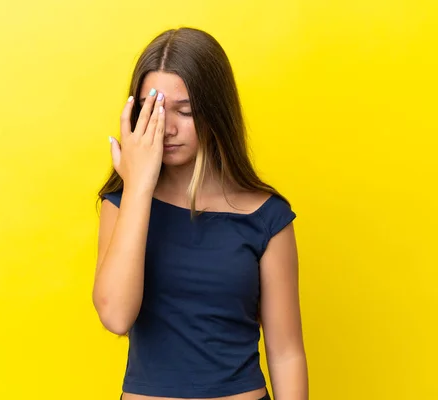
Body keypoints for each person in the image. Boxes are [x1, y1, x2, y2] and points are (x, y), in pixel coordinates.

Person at [93, 27, 308, 400]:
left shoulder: (267, 218)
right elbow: (115, 316)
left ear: (215, 112)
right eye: (154, 110)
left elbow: (287, 353)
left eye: (186, 111)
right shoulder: (122, 204)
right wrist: (138, 186)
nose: (169, 128)